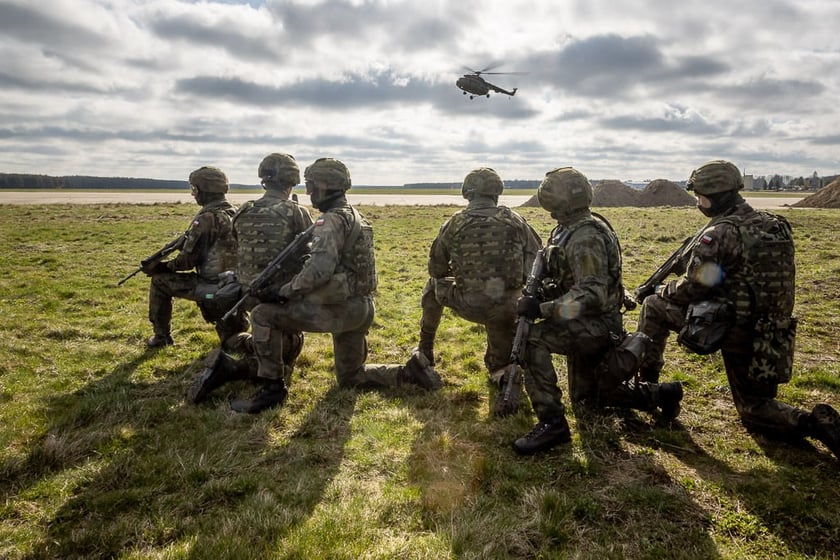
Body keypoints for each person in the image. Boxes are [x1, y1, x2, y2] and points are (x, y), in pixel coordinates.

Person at [636, 159, 840, 459]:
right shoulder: (775, 224)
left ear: (715, 196)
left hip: (733, 331)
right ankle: (813, 423)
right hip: (773, 334)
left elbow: (694, 287)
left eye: (700, 196)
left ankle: (647, 387)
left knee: (653, 306)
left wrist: (661, 290)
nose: (698, 202)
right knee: (755, 408)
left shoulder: (720, 234)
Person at [228, 157, 439, 414]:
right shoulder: (356, 216)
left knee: (262, 314)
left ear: (325, 185)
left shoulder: (330, 221)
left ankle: (272, 390)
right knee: (351, 377)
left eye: (311, 186)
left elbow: (318, 271)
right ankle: (408, 372)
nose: (309, 192)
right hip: (361, 309)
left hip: (338, 311)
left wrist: (281, 292)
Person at [512, 167, 684, 455]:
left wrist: (542, 308)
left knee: (532, 339)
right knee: (588, 399)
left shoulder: (585, 236)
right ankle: (663, 394)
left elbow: (591, 295)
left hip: (596, 326)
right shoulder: (568, 228)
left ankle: (552, 423)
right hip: (585, 322)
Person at [413, 167, 541, 416]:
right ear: (497, 192)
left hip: (470, 303)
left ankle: (425, 349)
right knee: (499, 367)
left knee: (432, 285)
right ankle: (504, 375)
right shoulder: (515, 220)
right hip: (509, 307)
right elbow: (536, 260)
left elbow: (436, 268)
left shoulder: (455, 223)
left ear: (468, 192)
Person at [187, 153, 313, 404]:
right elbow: (311, 253)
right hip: (278, 302)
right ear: (293, 180)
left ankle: (239, 344)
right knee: (289, 356)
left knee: (258, 339)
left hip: (245, 296)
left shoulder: (244, 210)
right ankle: (230, 368)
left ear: (263, 180)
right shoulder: (297, 213)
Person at [142, 166, 247, 349]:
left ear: (203, 190)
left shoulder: (207, 219)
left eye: (194, 189)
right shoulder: (236, 213)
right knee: (233, 341)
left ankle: (161, 337)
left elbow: (187, 261)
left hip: (212, 289)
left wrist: (161, 267)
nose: (193, 194)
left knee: (159, 281)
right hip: (236, 287)